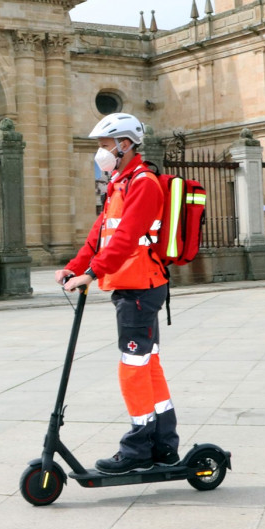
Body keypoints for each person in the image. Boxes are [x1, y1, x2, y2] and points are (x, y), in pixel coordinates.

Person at [57, 113, 179, 473]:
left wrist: (93, 272)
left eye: (105, 145)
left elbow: (126, 239)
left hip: (141, 288)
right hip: (130, 286)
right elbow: (101, 233)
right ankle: (164, 444)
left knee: (133, 368)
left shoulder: (144, 184)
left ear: (125, 144)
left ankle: (138, 448)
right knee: (148, 365)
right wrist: (76, 266)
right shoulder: (119, 183)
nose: (101, 152)